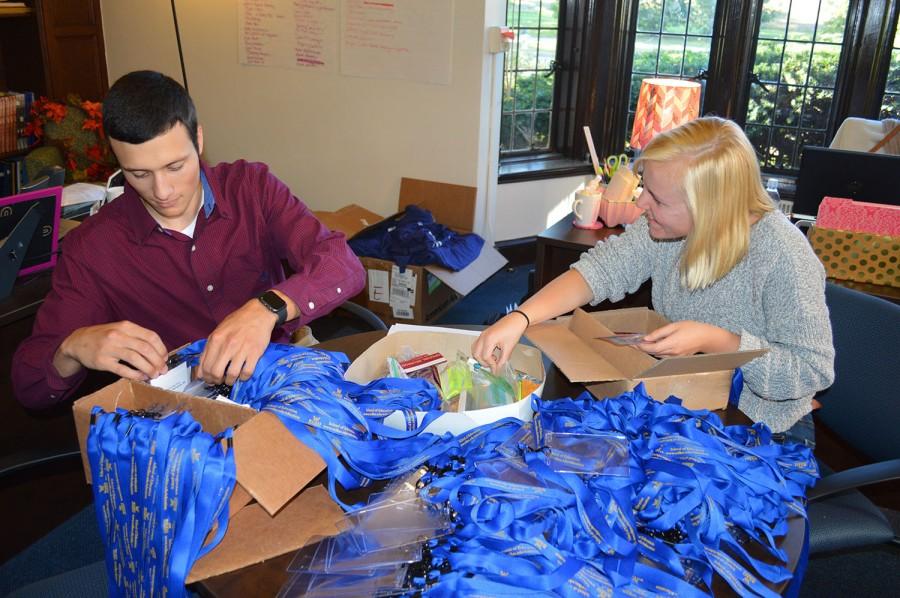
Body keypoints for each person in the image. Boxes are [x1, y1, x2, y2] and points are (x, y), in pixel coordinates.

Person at [13, 70, 366, 409]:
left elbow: (342, 264)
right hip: (184, 422)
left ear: (198, 140)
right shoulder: (92, 249)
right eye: (139, 174)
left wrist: (267, 308)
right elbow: (30, 388)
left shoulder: (251, 189)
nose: (162, 191)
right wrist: (72, 348)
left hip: (280, 383)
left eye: (175, 166)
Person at [473, 117, 834, 446]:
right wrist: (519, 317)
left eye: (657, 198)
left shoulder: (783, 254)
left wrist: (714, 339)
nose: (642, 203)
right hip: (684, 407)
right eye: (644, 187)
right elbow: (600, 270)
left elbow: (810, 372)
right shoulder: (661, 228)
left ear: (709, 208)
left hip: (761, 430)